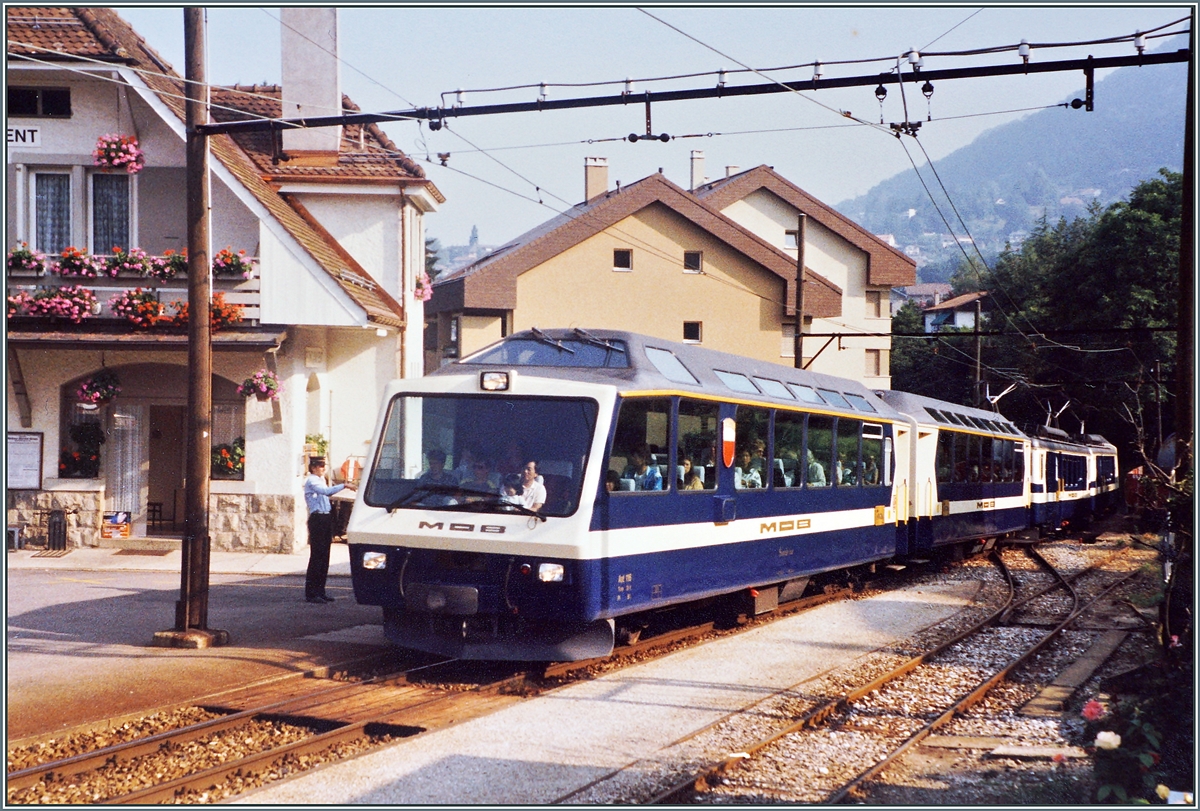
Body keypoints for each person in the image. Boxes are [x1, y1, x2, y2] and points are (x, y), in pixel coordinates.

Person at [303, 458, 353, 604]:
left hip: (325, 518)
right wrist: (344, 485)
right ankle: (312, 593)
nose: (323, 468)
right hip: (317, 518)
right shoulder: (312, 481)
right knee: (317, 556)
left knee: (324, 556)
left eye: (324, 465)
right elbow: (325, 492)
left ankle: (320, 591)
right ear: (313, 468)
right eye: (320, 466)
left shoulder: (321, 479)